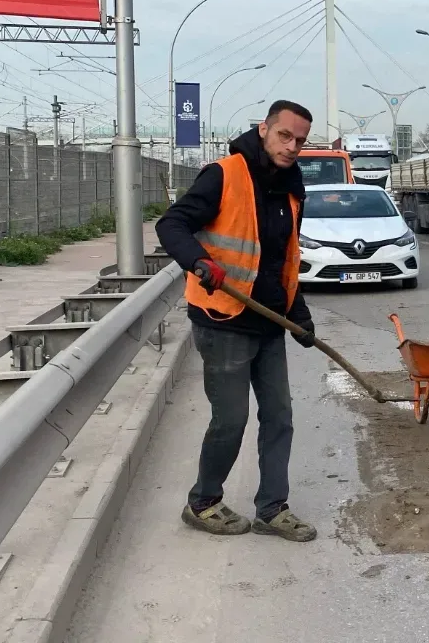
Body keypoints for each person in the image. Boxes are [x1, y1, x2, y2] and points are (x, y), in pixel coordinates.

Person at [156, 100, 319, 543]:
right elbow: (171, 225)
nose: (292, 147)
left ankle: (272, 508)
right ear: (264, 129)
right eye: (285, 135)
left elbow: (283, 258)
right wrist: (199, 263)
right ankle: (203, 502)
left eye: (300, 141)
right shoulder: (223, 174)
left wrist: (298, 315)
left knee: (280, 416)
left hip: (270, 323)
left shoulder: (291, 184)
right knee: (231, 419)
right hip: (223, 317)